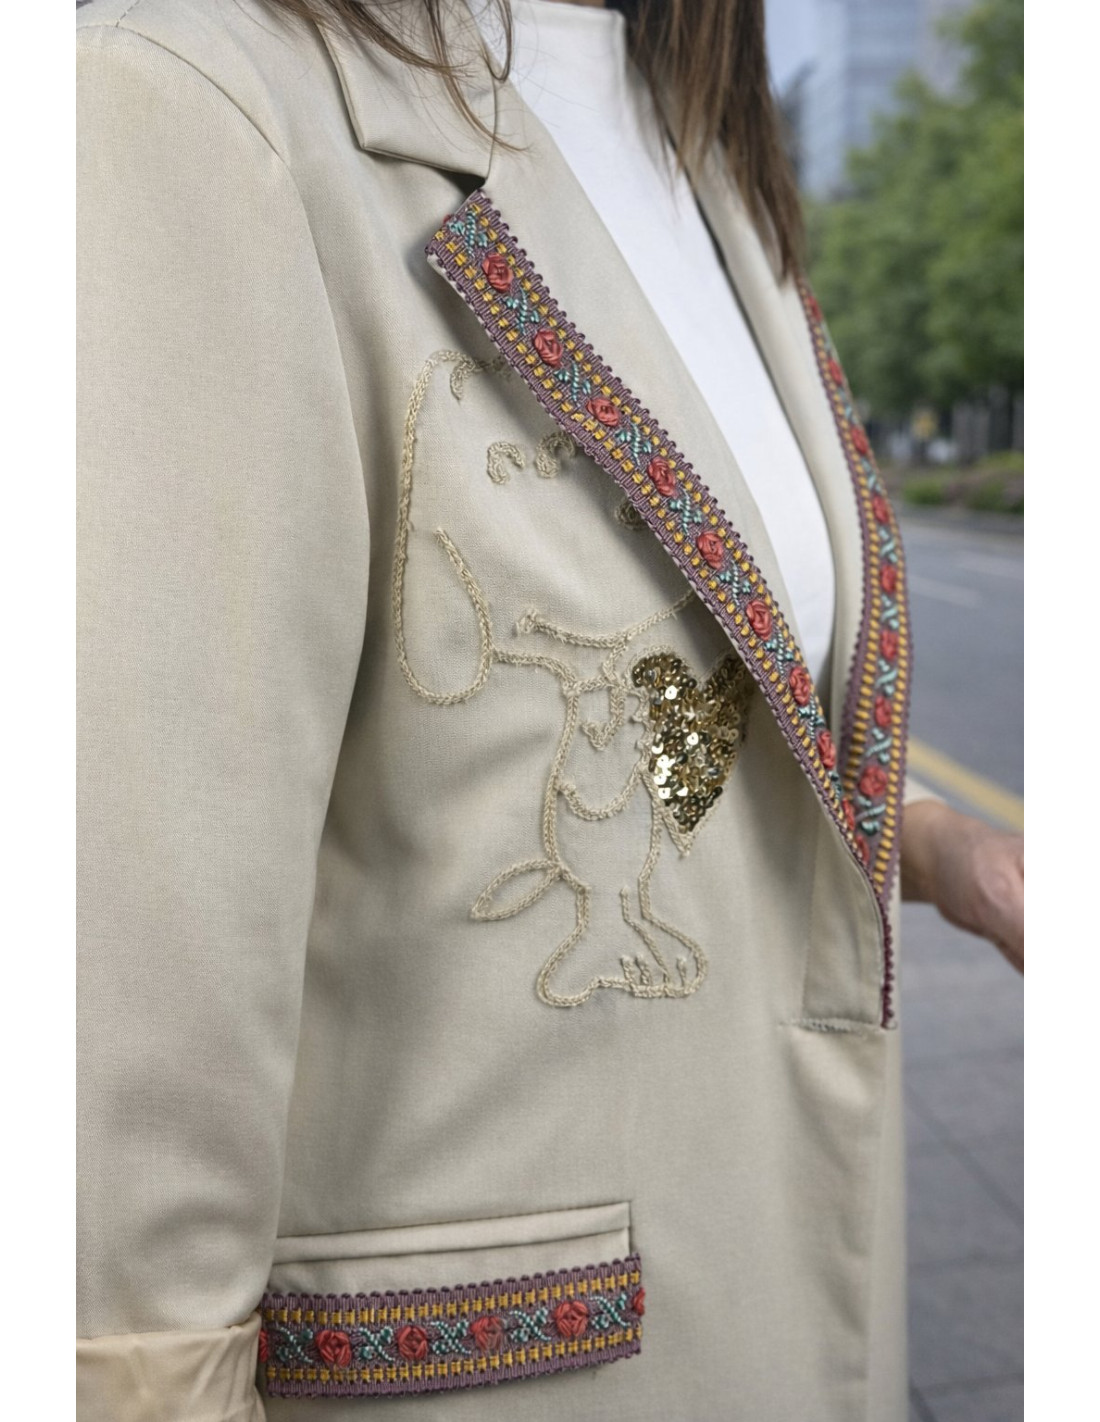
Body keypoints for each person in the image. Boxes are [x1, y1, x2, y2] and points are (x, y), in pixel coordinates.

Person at [75, 0, 1024, 1417]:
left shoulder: (702, 153)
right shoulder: (202, 101)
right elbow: (136, 1012)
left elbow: (669, 681)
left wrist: (920, 832)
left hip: (786, 1300)